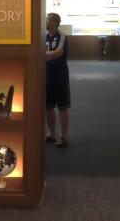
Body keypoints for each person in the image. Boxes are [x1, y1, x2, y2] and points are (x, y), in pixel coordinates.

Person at [45, 12, 70, 147]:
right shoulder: (43, 37)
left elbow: (57, 54)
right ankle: (52, 134)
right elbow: (50, 54)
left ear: (55, 22)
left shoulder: (62, 36)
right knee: (48, 107)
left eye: (47, 20)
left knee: (62, 107)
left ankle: (63, 137)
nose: (45, 22)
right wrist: (48, 55)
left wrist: (43, 54)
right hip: (46, 75)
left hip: (60, 76)